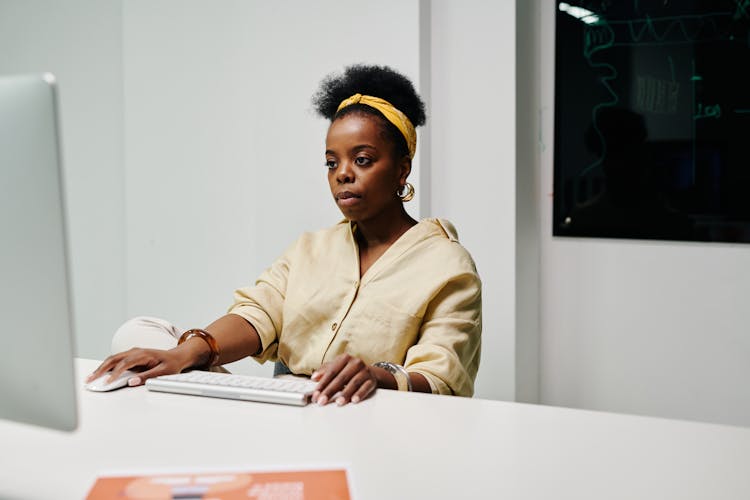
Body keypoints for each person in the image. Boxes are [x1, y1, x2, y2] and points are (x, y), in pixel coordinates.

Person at [87, 64, 482, 405]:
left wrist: (376, 377)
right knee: (135, 334)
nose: (343, 173)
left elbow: (441, 376)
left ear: (401, 169)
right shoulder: (311, 248)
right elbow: (257, 313)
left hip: (364, 412)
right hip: (284, 406)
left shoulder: (446, 264)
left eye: (362, 160)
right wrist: (187, 354)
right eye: (332, 162)